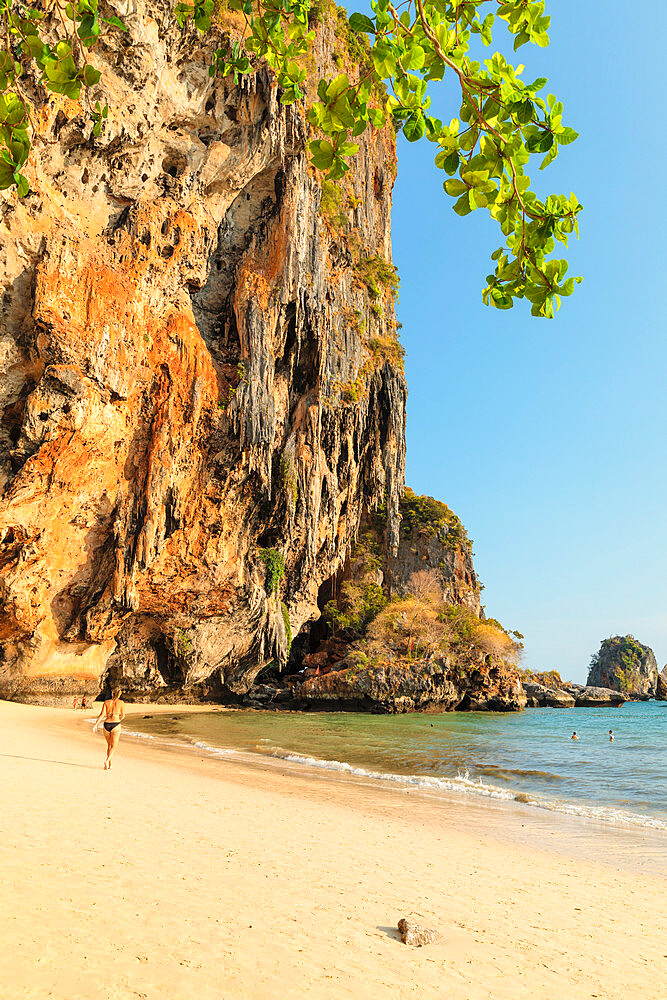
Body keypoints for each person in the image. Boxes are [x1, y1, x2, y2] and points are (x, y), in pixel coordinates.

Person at [93, 688, 125, 770]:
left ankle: (109, 764)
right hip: (115, 724)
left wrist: (96, 724)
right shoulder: (121, 703)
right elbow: (123, 715)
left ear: (112, 694)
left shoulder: (106, 702)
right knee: (114, 746)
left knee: (109, 745)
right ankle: (107, 760)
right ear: (119, 694)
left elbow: (102, 714)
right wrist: (118, 721)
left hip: (106, 724)